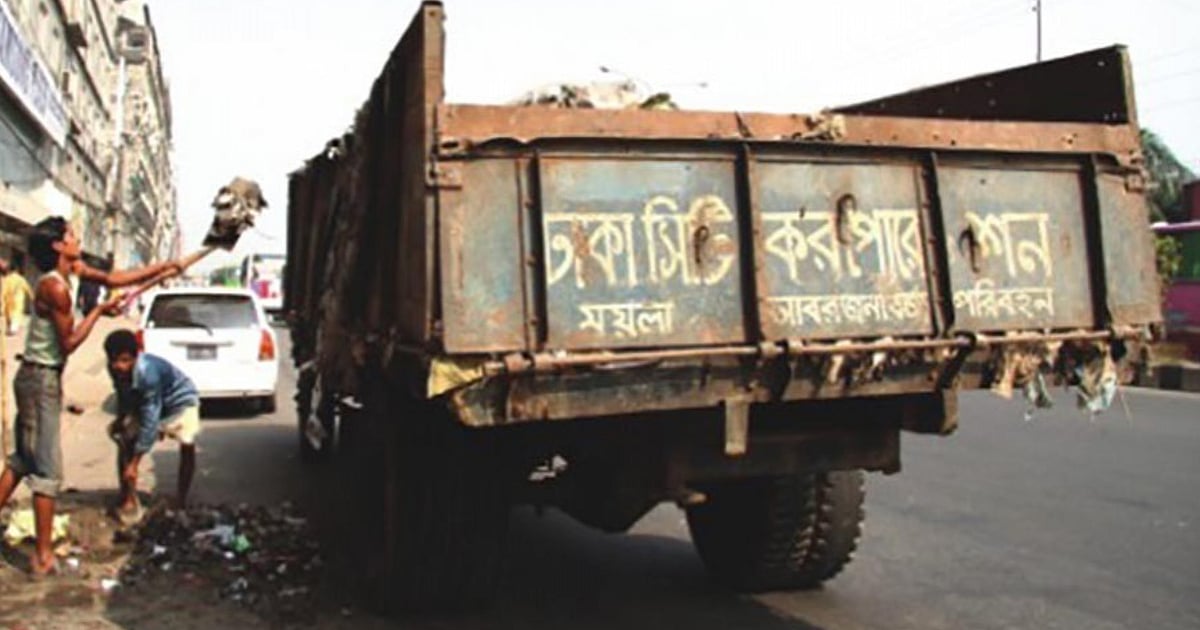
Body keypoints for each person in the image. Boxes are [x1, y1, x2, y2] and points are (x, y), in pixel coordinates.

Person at [0, 217, 181, 576]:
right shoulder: (55, 288)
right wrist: (100, 311)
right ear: (57, 246)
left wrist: (163, 267)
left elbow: (115, 280)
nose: (76, 238)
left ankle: (42, 553)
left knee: (22, 458)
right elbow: (68, 343)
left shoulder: (74, 270)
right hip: (40, 380)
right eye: (70, 235)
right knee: (47, 470)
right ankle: (43, 557)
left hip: (38, 377)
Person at [103, 329, 200, 523]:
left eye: (125, 360)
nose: (119, 366)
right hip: (144, 401)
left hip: (179, 401)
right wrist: (121, 419)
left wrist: (136, 462)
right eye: (115, 361)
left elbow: (150, 418)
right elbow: (123, 393)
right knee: (124, 439)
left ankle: (181, 498)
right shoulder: (113, 368)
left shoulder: (149, 373)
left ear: (135, 357)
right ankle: (128, 497)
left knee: (187, 443)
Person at [2, 254, 34, 336]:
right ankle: (13, 329)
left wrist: (2, 300)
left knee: (9, 314)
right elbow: (27, 288)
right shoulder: (20, 278)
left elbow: (4, 290)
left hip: (9, 300)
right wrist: (33, 297)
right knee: (17, 314)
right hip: (18, 300)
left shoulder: (7, 279)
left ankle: (11, 328)